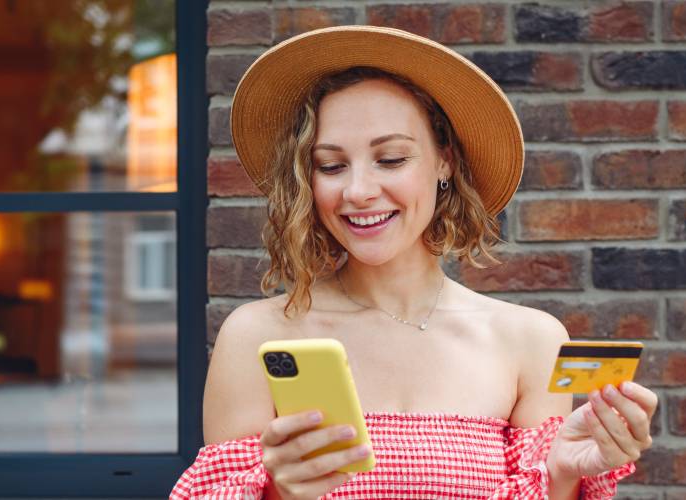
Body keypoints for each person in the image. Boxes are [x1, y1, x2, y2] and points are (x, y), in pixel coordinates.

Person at [171, 26, 657, 499]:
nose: (358, 190)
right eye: (331, 165)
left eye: (391, 159)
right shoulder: (258, 337)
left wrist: (562, 477)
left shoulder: (531, 341)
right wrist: (279, 493)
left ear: (444, 160)